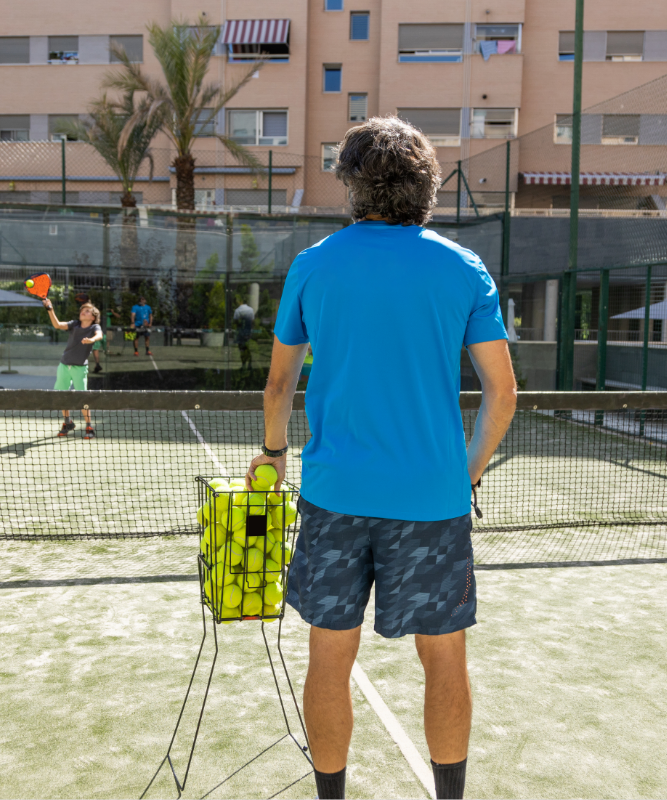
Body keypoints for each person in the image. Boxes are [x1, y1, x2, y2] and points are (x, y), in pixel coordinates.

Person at [246, 116, 517, 800]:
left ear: (351, 184)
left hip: (335, 497)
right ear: (426, 186)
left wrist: (274, 453)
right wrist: (468, 473)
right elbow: (503, 394)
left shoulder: (314, 264)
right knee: (445, 657)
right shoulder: (463, 267)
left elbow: (280, 383)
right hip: (434, 502)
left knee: (330, 656)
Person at [43, 298, 102, 438]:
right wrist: (50, 309)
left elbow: (99, 335)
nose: (83, 312)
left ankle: (89, 427)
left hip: (80, 368)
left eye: (87, 311)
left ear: (93, 317)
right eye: (82, 310)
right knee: (62, 395)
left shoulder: (94, 327)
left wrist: (91, 340)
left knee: (83, 399)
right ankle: (67, 423)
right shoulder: (74, 324)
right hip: (64, 365)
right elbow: (57, 325)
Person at [233, 301, 255, 368]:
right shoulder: (251, 310)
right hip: (248, 332)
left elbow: (235, 322)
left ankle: (243, 364)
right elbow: (253, 321)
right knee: (248, 349)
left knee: (242, 349)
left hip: (240, 333)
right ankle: (249, 363)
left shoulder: (237, 310)